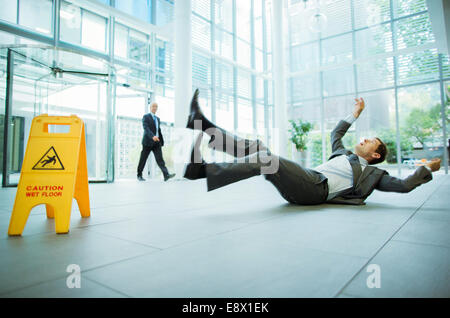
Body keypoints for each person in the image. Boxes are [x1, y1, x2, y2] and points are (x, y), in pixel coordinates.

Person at [183, 89, 441, 205]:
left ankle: (202, 171)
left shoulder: (375, 176)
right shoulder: (342, 152)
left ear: (375, 155)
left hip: (315, 190)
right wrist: (356, 114)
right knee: (260, 148)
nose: (363, 139)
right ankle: (201, 123)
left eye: (370, 141)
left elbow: (405, 186)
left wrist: (427, 168)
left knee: (265, 158)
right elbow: (337, 131)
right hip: (306, 177)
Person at [137, 101, 175, 182]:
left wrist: (161, 140)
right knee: (143, 159)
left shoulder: (158, 119)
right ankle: (139, 175)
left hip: (157, 142)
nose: (154, 108)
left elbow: (158, 130)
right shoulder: (146, 117)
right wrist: (152, 136)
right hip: (147, 142)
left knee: (160, 159)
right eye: (153, 106)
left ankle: (166, 175)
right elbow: (146, 128)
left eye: (156, 107)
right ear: (150, 107)